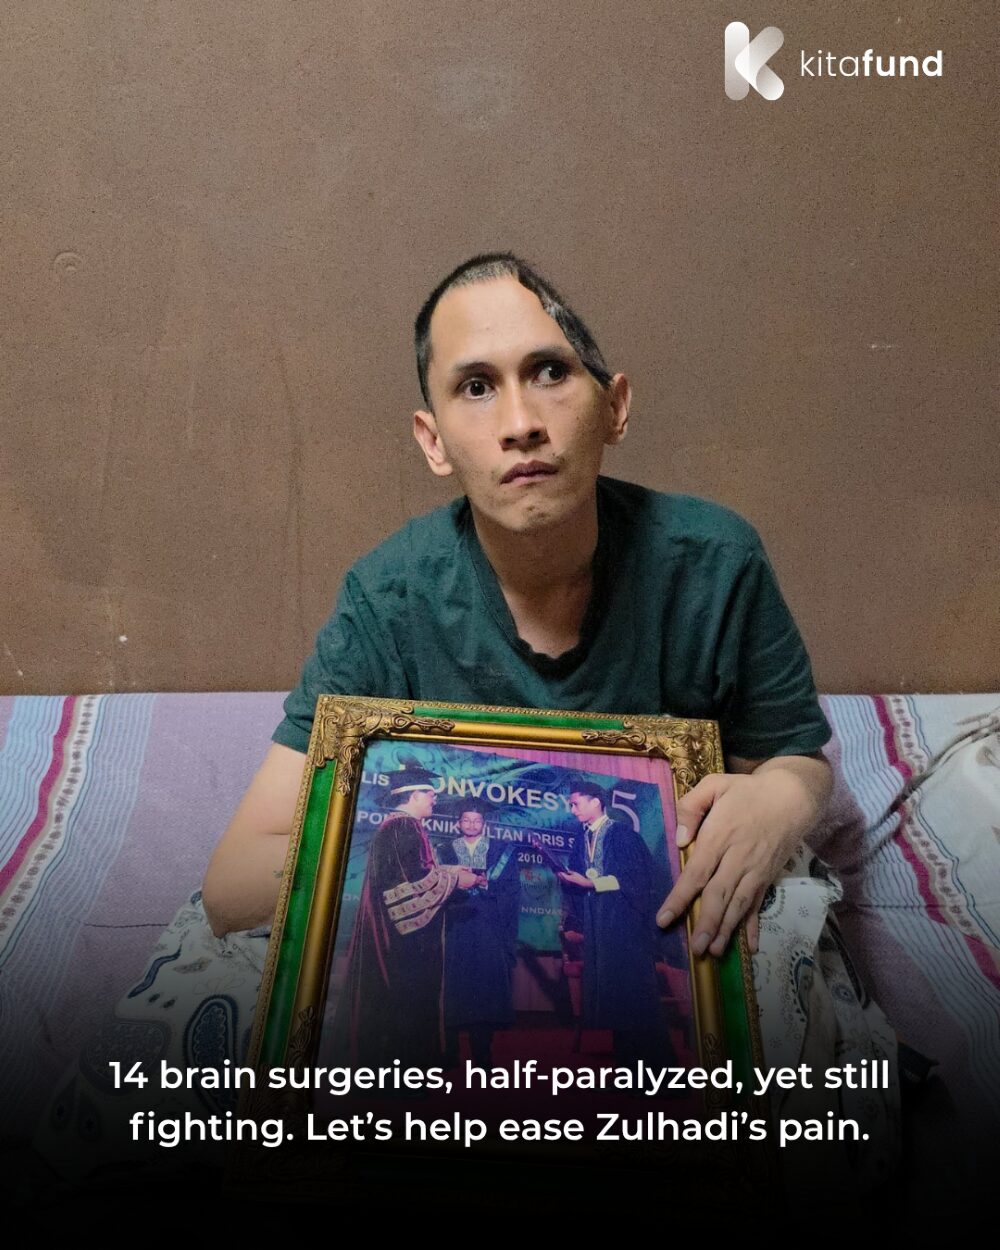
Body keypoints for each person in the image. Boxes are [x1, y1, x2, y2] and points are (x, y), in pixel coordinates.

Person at [327, 765, 479, 1068]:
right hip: (403, 942)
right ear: (413, 796)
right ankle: (403, 1073)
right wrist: (456, 880)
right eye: (430, 793)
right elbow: (410, 886)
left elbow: (411, 873)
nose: (434, 799)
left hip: (391, 934)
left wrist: (448, 871)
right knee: (405, 1003)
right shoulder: (404, 827)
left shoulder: (396, 826)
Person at [557, 779, 664, 1065]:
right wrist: (570, 880)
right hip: (600, 926)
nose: (573, 810)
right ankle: (626, 1067)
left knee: (632, 995)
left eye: (576, 803)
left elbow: (634, 880)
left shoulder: (622, 834)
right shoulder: (582, 838)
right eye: (571, 805)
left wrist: (590, 884)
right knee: (616, 998)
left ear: (596, 802)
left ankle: (653, 1072)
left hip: (625, 925)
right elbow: (583, 880)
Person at [437, 797, 521, 1068]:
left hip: (488, 926)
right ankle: (449, 1053)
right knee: (453, 986)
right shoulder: (444, 850)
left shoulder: (502, 850)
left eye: (477, 820)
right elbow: (436, 885)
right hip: (456, 924)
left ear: (484, 823)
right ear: (458, 823)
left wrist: (486, 886)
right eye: (466, 820)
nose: (472, 824)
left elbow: (512, 890)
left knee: (484, 989)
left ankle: (482, 1053)